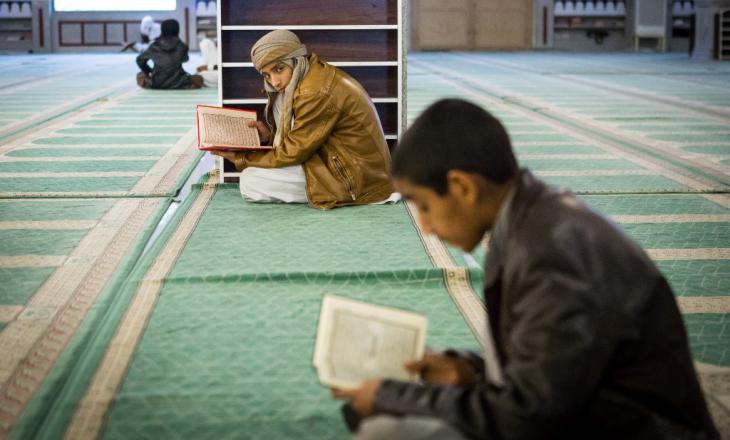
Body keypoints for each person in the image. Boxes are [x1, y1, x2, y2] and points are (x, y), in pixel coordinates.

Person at [332, 99, 719, 439]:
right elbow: (555, 373)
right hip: (596, 412)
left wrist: (391, 396)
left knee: (387, 430)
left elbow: (529, 417)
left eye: (425, 206)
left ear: (464, 187)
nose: (427, 227)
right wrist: (470, 373)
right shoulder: (530, 216)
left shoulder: (554, 257)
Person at [210, 30, 394, 209]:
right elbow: (299, 138)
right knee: (279, 99)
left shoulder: (315, 92)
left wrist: (243, 158)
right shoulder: (306, 76)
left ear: (296, 60)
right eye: (267, 74)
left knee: (251, 181)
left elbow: (293, 151)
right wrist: (268, 137)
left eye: (279, 69)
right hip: (331, 158)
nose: (275, 81)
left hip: (355, 178)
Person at [135, 19, 203, 90]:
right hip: (179, 82)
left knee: (140, 75)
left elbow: (139, 60)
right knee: (199, 78)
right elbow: (185, 59)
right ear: (177, 30)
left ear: (162, 30)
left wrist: (149, 71)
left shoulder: (154, 46)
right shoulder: (182, 45)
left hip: (156, 83)